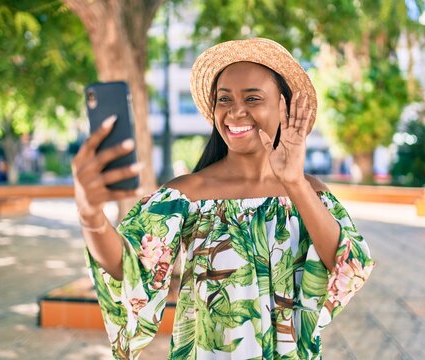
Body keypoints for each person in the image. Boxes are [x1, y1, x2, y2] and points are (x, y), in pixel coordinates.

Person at [72, 38, 375, 360]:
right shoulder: (187, 195)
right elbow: (128, 267)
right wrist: (90, 215)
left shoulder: (310, 193)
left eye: (253, 98)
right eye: (224, 99)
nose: (235, 111)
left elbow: (350, 267)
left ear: (283, 107)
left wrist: (294, 183)